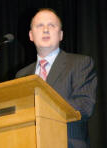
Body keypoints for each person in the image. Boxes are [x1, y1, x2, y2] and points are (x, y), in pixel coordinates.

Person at [16, 8, 97, 148]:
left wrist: (43, 106)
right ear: (31, 35)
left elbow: (85, 106)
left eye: (51, 25)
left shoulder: (80, 63)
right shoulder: (22, 75)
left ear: (60, 35)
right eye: (39, 25)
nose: (45, 29)